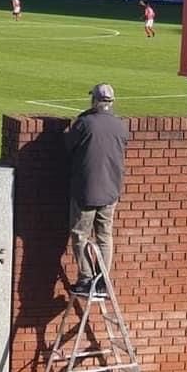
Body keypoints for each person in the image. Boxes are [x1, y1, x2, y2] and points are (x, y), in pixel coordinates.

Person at [66, 84, 129, 297]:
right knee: (104, 235)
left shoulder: (84, 124)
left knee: (80, 234)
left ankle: (86, 279)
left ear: (94, 100)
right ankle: (102, 280)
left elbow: (68, 146)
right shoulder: (120, 126)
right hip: (111, 191)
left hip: (86, 191)